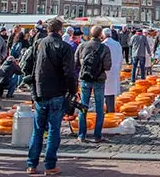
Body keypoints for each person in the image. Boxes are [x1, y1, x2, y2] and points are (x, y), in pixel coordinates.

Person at [26, 19, 76, 176]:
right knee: (54, 129)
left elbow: (28, 66)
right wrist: (73, 90)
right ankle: (50, 165)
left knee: (38, 129)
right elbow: (68, 72)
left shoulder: (38, 44)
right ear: (60, 31)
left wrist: (33, 87)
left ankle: (31, 165)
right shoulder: (65, 47)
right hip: (57, 92)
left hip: (40, 91)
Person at [74, 26, 112, 144]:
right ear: (101, 35)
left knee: (83, 107)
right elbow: (107, 66)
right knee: (100, 108)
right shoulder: (104, 48)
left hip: (85, 79)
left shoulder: (82, 46)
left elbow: (76, 62)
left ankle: (82, 134)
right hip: (99, 80)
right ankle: (97, 135)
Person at [102, 28, 122, 115]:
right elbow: (121, 58)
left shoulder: (103, 44)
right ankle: (110, 109)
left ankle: (108, 111)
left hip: (106, 71)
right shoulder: (117, 44)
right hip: (115, 70)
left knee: (106, 93)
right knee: (111, 93)